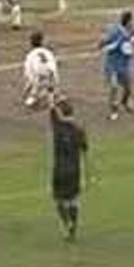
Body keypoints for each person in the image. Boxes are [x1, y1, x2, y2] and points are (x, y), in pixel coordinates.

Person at [49, 97, 89, 242]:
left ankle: (66, 224)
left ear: (61, 113)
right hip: (74, 170)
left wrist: (53, 97)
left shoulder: (58, 127)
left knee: (59, 200)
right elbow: (85, 150)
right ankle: (73, 226)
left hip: (59, 170)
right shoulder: (79, 129)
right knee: (73, 200)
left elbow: (52, 111)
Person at [99, 10, 134, 120]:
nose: (133, 23)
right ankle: (114, 111)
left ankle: (125, 102)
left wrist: (132, 37)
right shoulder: (115, 31)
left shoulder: (132, 33)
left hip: (124, 65)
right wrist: (104, 44)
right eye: (132, 21)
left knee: (128, 89)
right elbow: (104, 42)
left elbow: (131, 48)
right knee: (114, 87)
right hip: (112, 65)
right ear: (127, 21)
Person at [22, 30, 59, 111]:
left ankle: (35, 97)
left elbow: (29, 74)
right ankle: (51, 98)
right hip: (53, 78)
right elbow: (55, 66)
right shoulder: (48, 52)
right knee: (49, 80)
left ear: (31, 43)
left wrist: (27, 89)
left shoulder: (30, 55)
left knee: (34, 87)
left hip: (39, 80)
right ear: (42, 42)